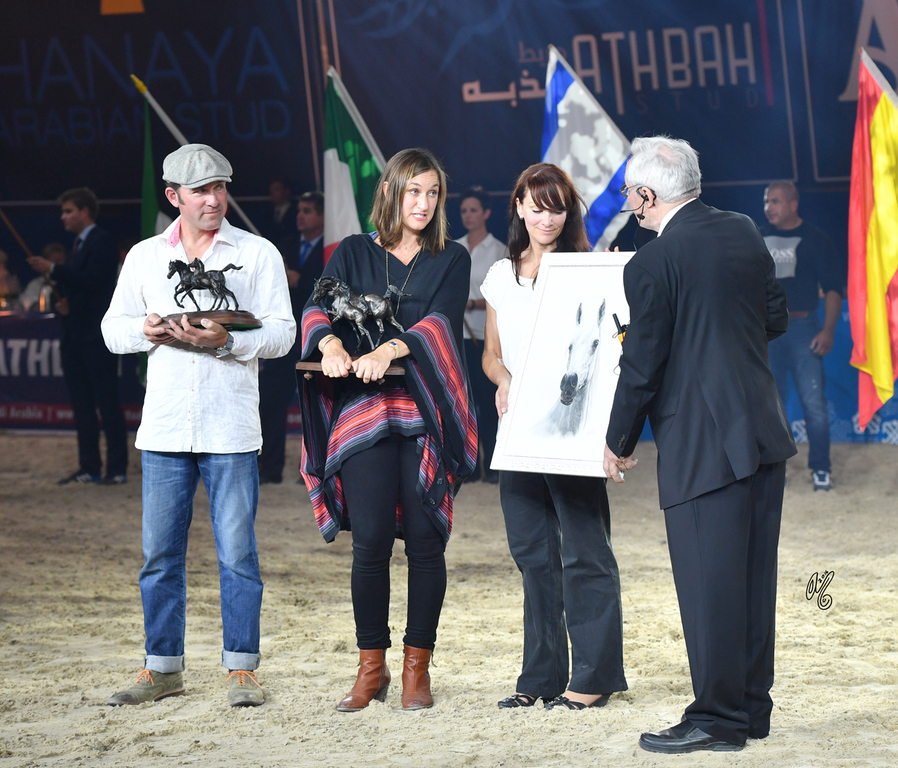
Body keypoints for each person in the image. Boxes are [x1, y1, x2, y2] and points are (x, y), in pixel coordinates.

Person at [603, 136, 797, 753]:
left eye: (632, 193)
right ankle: (749, 709)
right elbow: (775, 320)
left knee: (709, 585)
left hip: (703, 444)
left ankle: (716, 719)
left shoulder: (650, 262)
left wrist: (617, 440)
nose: (631, 203)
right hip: (763, 433)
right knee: (751, 579)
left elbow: (642, 366)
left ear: (647, 194)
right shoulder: (742, 230)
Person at [101, 144, 295, 708]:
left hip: (231, 427)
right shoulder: (142, 257)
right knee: (159, 556)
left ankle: (241, 670)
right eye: (201, 191)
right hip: (163, 430)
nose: (214, 200)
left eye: (220, 188)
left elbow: (282, 335)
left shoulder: (257, 253)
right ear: (174, 197)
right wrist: (150, 330)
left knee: (238, 555)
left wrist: (229, 341)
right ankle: (162, 668)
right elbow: (113, 331)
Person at [299, 147, 477, 712]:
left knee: (427, 543)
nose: (422, 203)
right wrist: (328, 344)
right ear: (391, 194)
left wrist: (389, 349)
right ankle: (370, 668)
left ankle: (415, 671)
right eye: (413, 191)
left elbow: (442, 322)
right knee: (371, 541)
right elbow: (316, 307)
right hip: (362, 414)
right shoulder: (351, 252)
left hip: (423, 413)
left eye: (432, 193)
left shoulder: (452, 258)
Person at [481, 163, 627, 711]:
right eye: (536, 206)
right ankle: (541, 677)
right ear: (518, 206)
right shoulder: (498, 275)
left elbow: (616, 340)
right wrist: (504, 381)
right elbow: (491, 355)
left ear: (569, 213)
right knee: (532, 554)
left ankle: (594, 677)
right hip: (517, 432)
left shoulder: (588, 269)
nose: (547, 217)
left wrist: (617, 281)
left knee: (586, 551)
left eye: (557, 206)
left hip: (573, 431)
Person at [27, 188, 128, 485]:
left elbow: (95, 282)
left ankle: (117, 468)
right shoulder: (77, 245)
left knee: (107, 402)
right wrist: (64, 305)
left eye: (69, 211)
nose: (64, 217)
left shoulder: (102, 241)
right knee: (81, 404)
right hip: (73, 336)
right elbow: (80, 290)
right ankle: (89, 467)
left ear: (85, 211)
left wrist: (54, 269)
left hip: (96, 337)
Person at [761, 181, 843, 491]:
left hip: (803, 330)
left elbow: (834, 288)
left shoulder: (815, 239)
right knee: (769, 406)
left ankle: (821, 468)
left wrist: (828, 330)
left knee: (814, 405)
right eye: (767, 201)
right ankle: (770, 470)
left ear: (794, 205)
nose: (769, 206)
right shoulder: (754, 236)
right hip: (765, 332)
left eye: (776, 201)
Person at [258, 191, 326, 484]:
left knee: (317, 406)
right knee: (271, 403)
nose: (300, 215)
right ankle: (269, 468)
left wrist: (302, 281)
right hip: (284, 339)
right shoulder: (282, 247)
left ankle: (316, 469)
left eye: (308, 210)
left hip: (318, 340)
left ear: (322, 216)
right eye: (299, 210)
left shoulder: (333, 249)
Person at [455, 186, 505, 483]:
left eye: (474, 210)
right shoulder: (454, 247)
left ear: (486, 213)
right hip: (459, 335)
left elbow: (502, 294)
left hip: (486, 337)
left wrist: (472, 303)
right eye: (464, 211)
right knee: (464, 402)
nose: (468, 215)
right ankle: (469, 467)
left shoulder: (499, 250)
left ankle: (494, 466)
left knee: (488, 402)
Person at [20, 243, 65, 312]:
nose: (60, 264)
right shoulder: (36, 284)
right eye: (56, 261)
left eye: (62, 260)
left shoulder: (70, 282)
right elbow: (26, 305)